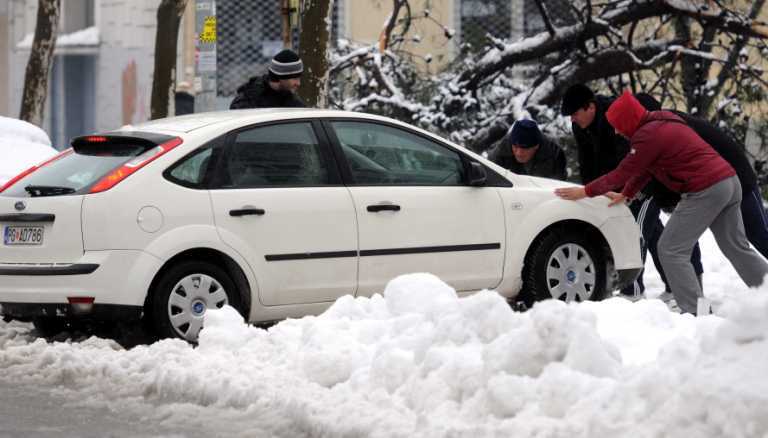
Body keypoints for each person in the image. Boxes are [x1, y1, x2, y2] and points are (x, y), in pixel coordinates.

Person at [555, 91, 768, 315]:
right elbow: (645, 169)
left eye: (618, 126)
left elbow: (621, 173)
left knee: (670, 249)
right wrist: (627, 193)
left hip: (706, 189)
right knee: (736, 246)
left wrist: (584, 192)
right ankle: (764, 292)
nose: (617, 132)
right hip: (729, 182)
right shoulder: (660, 123)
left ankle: (697, 313)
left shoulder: (647, 135)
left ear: (628, 120)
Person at [560, 84, 703, 299]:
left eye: (575, 114)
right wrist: (594, 193)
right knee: (654, 233)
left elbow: (629, 163)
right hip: (624, 185)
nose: (572, 119)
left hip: (645, 181)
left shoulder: (615, 118)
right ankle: (674, 287)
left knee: (635, 231)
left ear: (590, 107)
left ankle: (633, 290)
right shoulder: (580, 126)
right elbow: (587, 162)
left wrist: (611, 191)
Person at [634, 93, 768, 260]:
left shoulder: (669, 130)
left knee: (760, 235)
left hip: (738, 178)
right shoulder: (660, 130)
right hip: (714, 184)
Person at [488, 119, 567, 180]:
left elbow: (558, 186)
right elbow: (489, 177)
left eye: (524, 148)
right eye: (515, 147)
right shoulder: (501, 150)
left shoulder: (554, 154)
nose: (519, 153)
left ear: (536, 146)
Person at [230, 49, 306, 109]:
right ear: (280, 77)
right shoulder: (249, 100)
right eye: (295, 78)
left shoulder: (293, 102)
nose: (298, 83)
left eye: (299, 78)